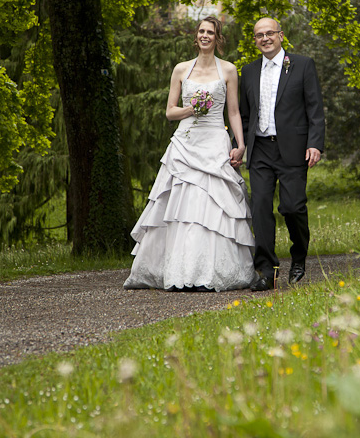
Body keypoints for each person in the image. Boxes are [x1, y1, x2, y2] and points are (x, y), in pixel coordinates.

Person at [124, 17, 256, 292]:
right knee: (181, 208)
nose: (205, 36)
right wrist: (191, 109)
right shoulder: (181, 69)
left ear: (217, 38)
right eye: (201, 31)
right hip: (185, 144)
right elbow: (170, 112)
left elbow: (233, 112)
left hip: (214, 141)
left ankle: (209, 272)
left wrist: (240, 145)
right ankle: (177, 270)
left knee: (211, 206)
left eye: (211, 32)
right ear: (195, 37)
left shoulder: (229, 70)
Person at [235, 17, 325, 291]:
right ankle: (266, 271)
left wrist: (315, 144)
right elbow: (245, 114)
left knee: (292, 207)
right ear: (255, 40)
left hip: (292, 149)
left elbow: (315, 109)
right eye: (259, 35)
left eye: (269, 33)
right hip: (260, 150)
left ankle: (299, 257)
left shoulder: (302, 65)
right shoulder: (248, 72)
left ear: (281, 35)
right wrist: (240, 144)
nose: (265, 38)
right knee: (260, 208)